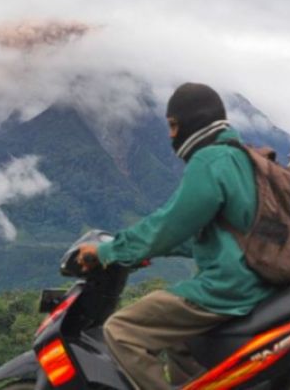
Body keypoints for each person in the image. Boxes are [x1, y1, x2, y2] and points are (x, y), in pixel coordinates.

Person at [78, 82, 275, 390]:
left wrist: (106, 252)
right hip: (257, 281)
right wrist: (148, 252)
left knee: (120, 329)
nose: (170, 135)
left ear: (195, 121)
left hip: (230, 288)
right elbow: (209, 235)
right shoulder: (241, 157)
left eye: (173, 125)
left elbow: (169, 223)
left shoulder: (209, 160)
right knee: (180, 341)